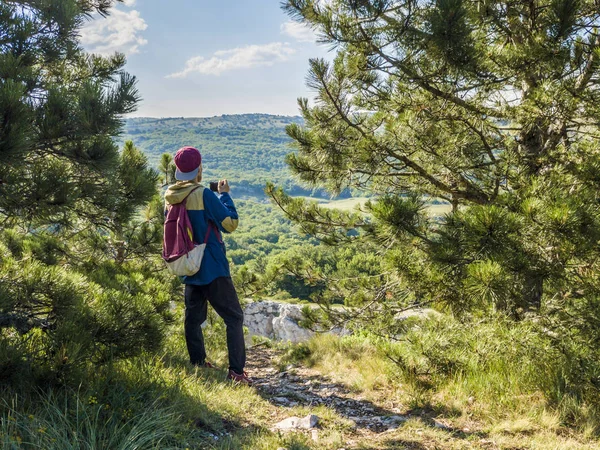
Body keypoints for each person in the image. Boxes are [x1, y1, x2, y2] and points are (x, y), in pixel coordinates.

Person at [164, 146, 252, 385]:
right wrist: (224, 195)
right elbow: (230, 224)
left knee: (193, 319)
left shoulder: (170, 197)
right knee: (234, 317)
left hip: (188, 266)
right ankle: (236, 372)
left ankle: (198, 362)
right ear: (199, 169)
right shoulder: (203, 194)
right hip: (212, 267)